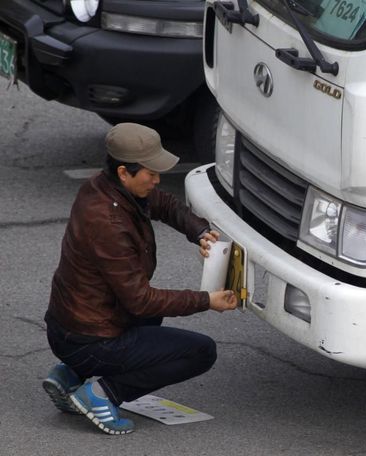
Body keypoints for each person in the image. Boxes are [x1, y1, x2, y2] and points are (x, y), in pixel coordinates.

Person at [42, 122, 237, 435]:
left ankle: (71, 374)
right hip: (88, 339)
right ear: (124, 172)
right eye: (151, 173)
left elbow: (163, 203)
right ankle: (103, 394)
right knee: (201, 351)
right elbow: (140, 299)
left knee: (151, 319)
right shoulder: (108, 224)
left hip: (69, 327)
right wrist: (206, 301)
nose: (158, 180)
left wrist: (199, 231)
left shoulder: (103, 187)